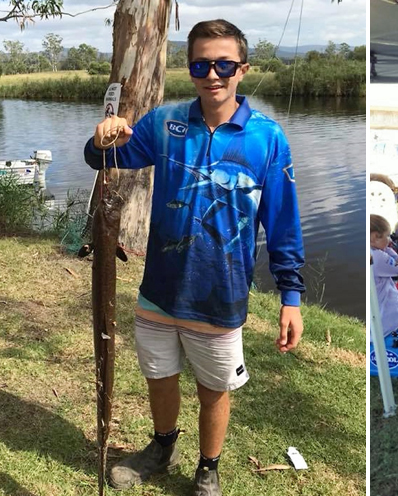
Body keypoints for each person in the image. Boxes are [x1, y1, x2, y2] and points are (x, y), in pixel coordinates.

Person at [83, 19, 305, 496]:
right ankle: (162, 447)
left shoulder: (267, 138)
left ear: (242, 69)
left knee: (213, 389)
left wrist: (291, 295)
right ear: (190, 69)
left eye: (224, 64)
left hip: (219, 296)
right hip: (159, 290)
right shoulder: (165, 124)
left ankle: (209, 466)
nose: (213, 74)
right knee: (159, 377)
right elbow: (103, 160)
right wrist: (103, 136)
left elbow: (283, 221)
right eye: (202, 64)